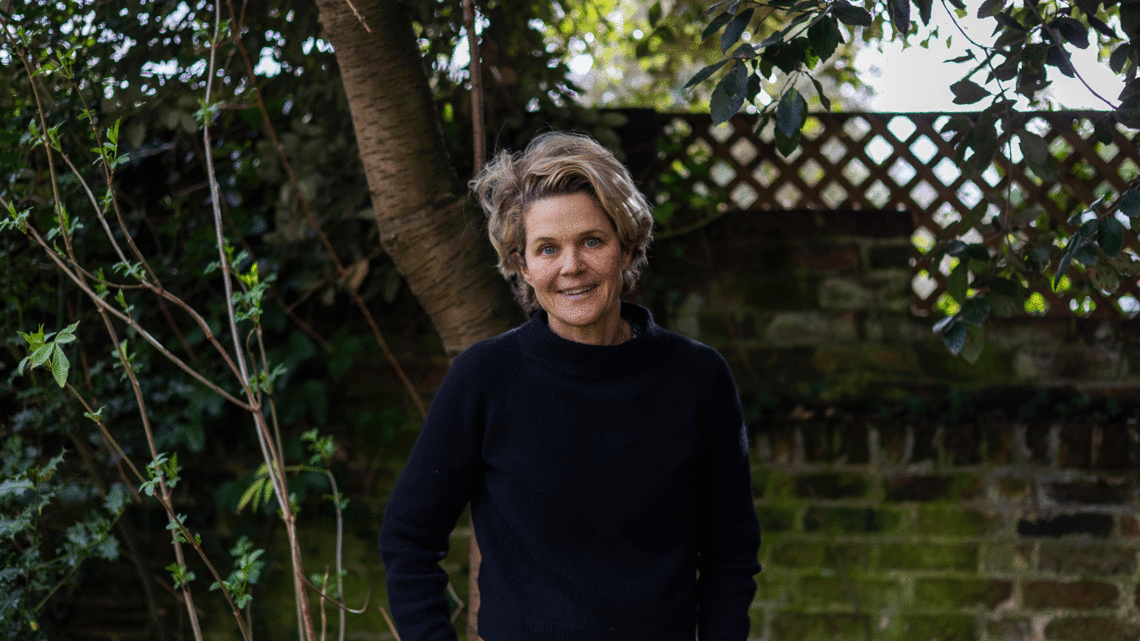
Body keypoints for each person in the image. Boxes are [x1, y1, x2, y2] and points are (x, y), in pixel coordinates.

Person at [378, 132, 761, 641]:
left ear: (627, 247)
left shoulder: (697, 379)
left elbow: (729, 550)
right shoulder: (485, 378)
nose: (571, 266)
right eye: (547, 249)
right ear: (522, 265)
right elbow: (408, 539)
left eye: (592, 242)